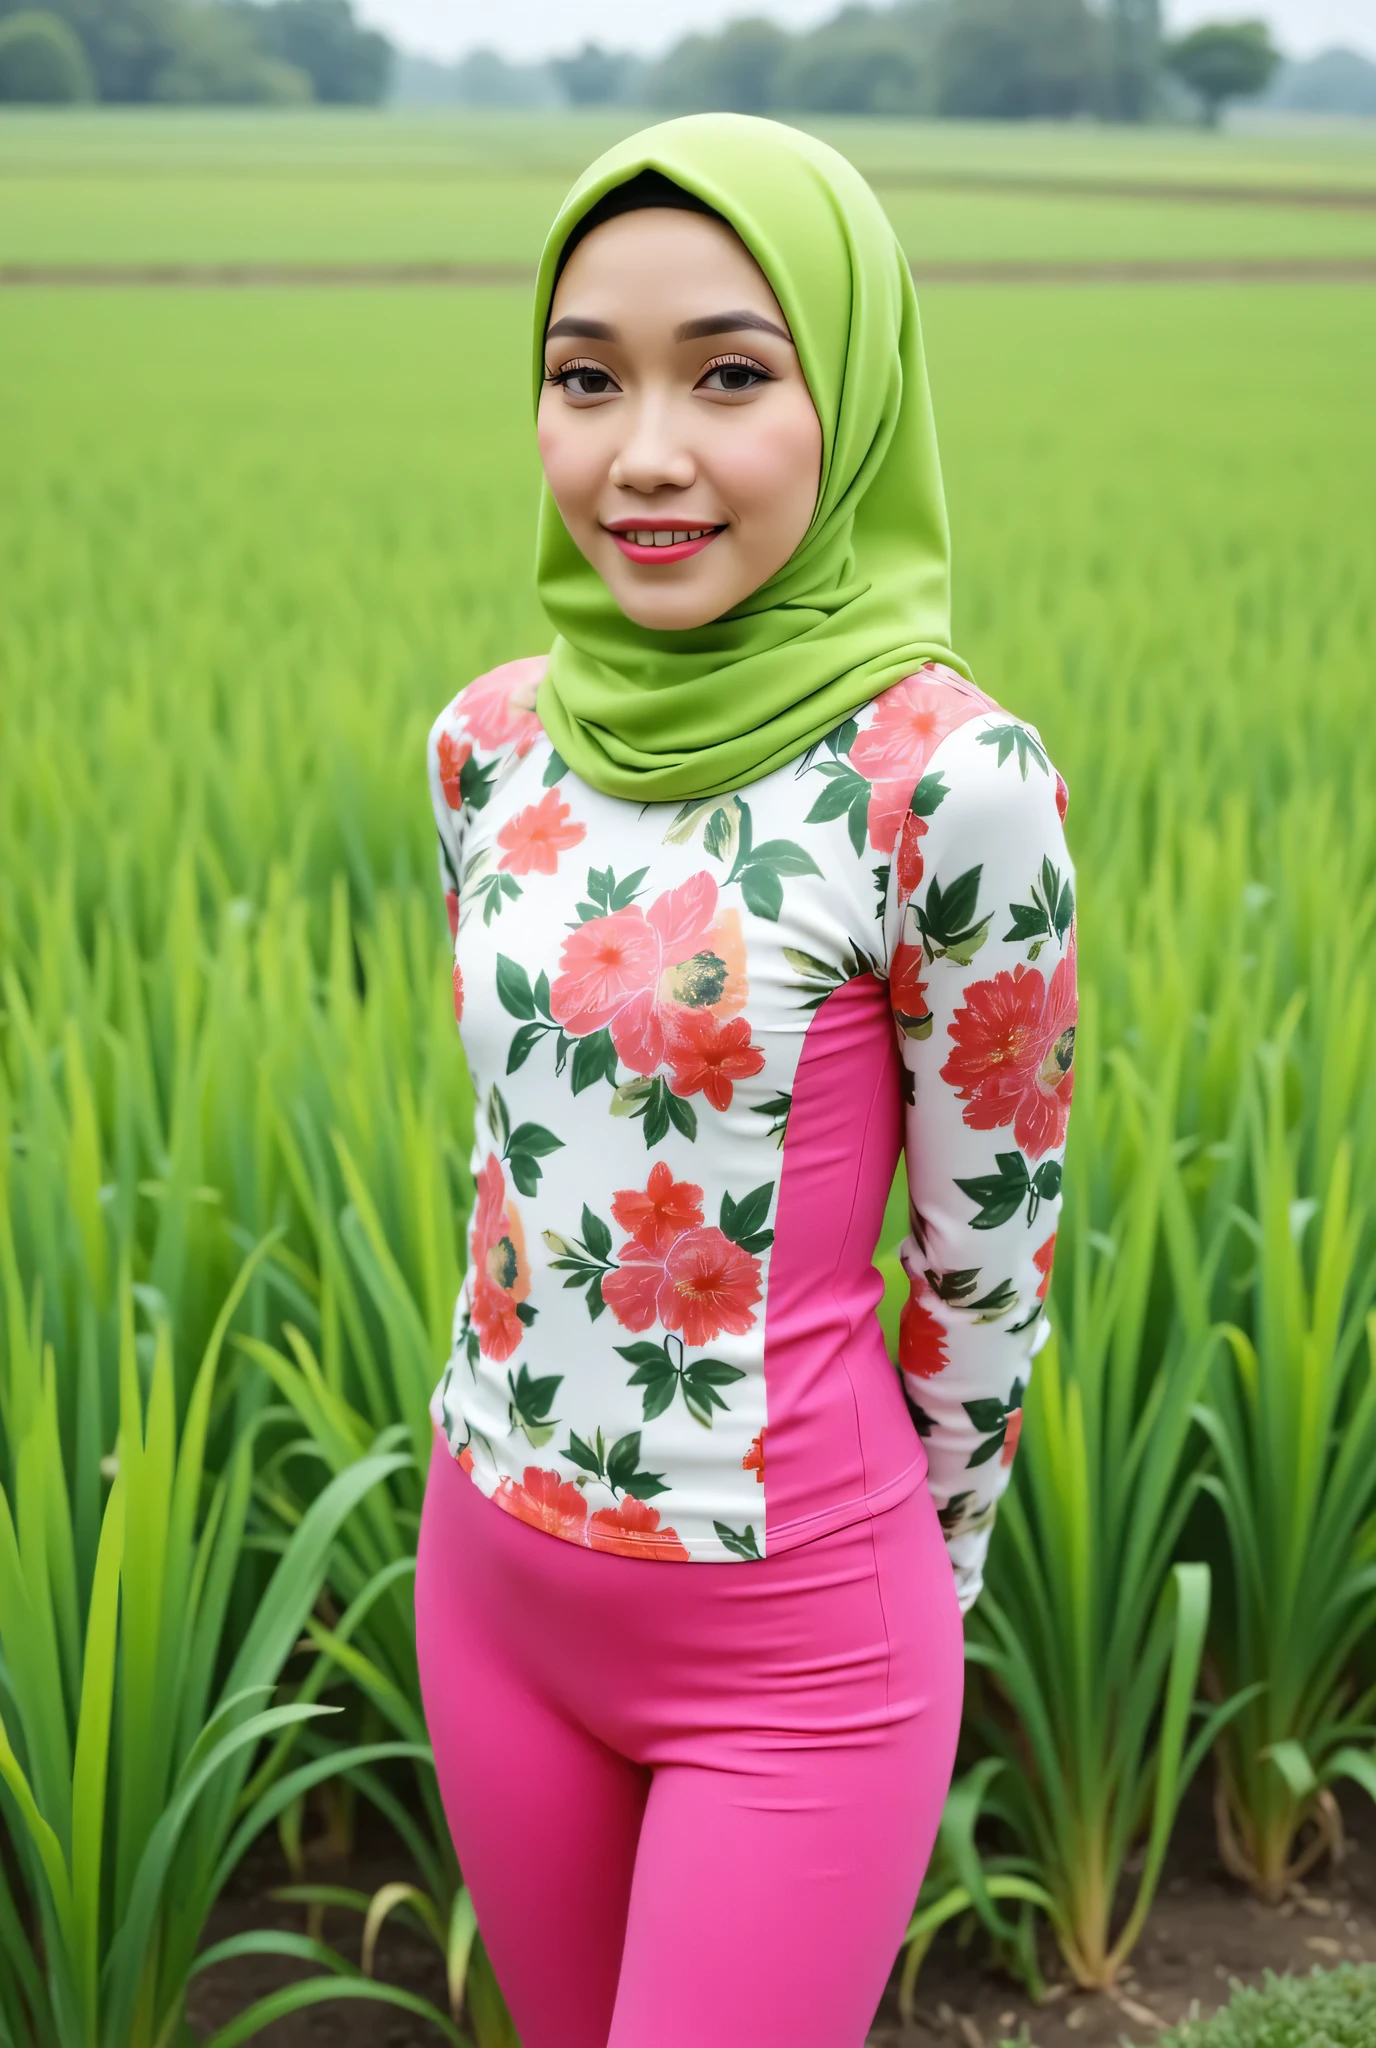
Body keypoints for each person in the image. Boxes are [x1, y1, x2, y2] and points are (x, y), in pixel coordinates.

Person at [414, 113, 1077, 2048]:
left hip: (798, 1637)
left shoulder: (951, 785)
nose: (643, 452)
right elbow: (523, 1167)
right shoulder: (487, 751)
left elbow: (989, 1257)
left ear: (849, 395)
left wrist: (902, 1584)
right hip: (494, 1573)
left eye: (728, 373)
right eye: (583, 377)